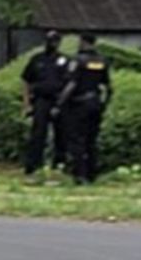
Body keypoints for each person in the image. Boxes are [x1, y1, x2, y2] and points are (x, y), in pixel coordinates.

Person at [55, 33, 111, 185]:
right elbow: (108, 86)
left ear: (83, 42)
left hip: (79, 104)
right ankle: (92, 173)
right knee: (91, 140)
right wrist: (104, 104)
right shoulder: (102, 61)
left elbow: (71, 84)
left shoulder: (77, 60)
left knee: (77, 140)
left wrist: (60, 103)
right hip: (95, 103)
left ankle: (80, 174)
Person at [21, 29, 69, 176]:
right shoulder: (37, 59)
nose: (52, 43)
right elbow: (26, 81)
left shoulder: (64, 60)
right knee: (37, 134)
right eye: (50, 41)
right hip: (41, 100)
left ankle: (59, 164)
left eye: (55, 41)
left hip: (59, 100)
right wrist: (27, 104)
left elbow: (70, 82)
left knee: (61, 134)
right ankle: (33, 165)